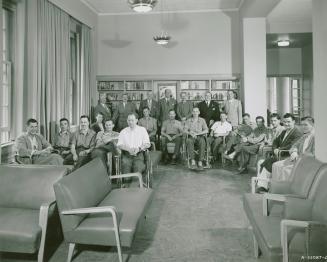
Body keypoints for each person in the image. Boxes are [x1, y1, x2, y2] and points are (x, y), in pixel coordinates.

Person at [256, 113, 303, 193]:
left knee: (267, 161)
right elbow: (275, 142)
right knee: (262, 162)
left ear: (294, 122)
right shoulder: (284, 131)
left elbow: (291, 146)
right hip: (279, 154)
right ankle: (262, 185)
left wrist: (279, 149)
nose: (286, 124)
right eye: (285, 122)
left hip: (287, 156)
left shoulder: (297, 133)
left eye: (288, 122)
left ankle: (263, 186)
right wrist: (275, 149)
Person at [272, 116, 315, 181]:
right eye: (302, 125)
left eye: (306, 125)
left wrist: (300, 156)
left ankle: (284, 189)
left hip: (306, 162)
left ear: (313, 125)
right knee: (276, 165)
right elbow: (294, 146)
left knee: (285, 170)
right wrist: (294, 151)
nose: (303, 127)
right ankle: (275, 187)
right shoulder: (304, 136)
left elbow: (315, 154)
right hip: (297, 159)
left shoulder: (316, 137)